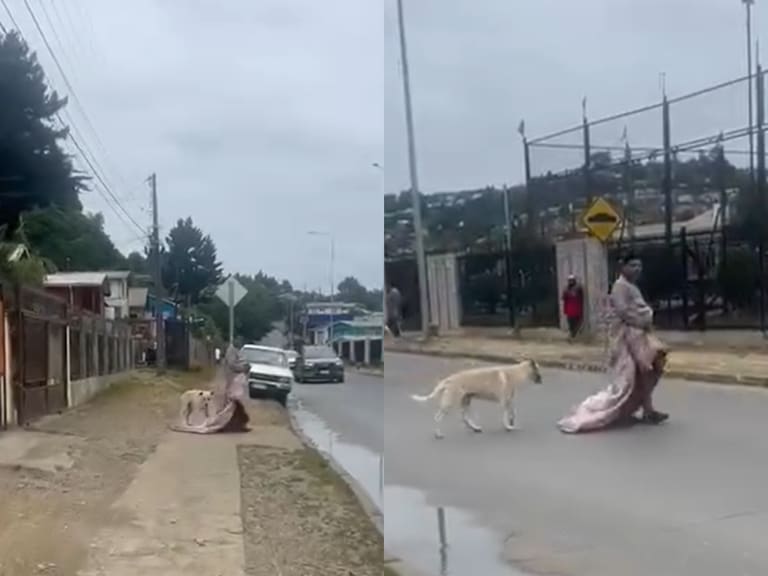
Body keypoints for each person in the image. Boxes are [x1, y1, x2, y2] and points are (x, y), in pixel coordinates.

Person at [557, 252, 669, 433]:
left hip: (638, 337)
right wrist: (644, 319)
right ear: (622, 267)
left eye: (639, 265)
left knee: (646, 372)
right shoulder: (620, 287)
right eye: (632, 265)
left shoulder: (631, 287)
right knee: (628, 379)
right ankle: (602, 410)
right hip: (625, 340)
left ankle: (648, 410)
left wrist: (646, 318)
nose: (637, 269)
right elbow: (624, 312)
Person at [171, 340, 252, 434]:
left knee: (235, 407)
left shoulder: (235, 350)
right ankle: (228, 425)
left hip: (232, 382)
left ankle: (237, 425)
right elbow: (232, 365)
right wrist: (244, 367)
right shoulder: (231, 351)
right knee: (232, 406)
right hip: (230, 382)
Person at [561, 274, 584, 340]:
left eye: (572, 280)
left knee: (577, 323)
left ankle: (573, 335)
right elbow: (563, 298)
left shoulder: (578, 288)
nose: (570, 282)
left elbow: (581, 297)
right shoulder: (566, 289)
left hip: (577, 309)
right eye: (569, 280)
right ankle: (572, 335)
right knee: (571, 324)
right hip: (569, 310)